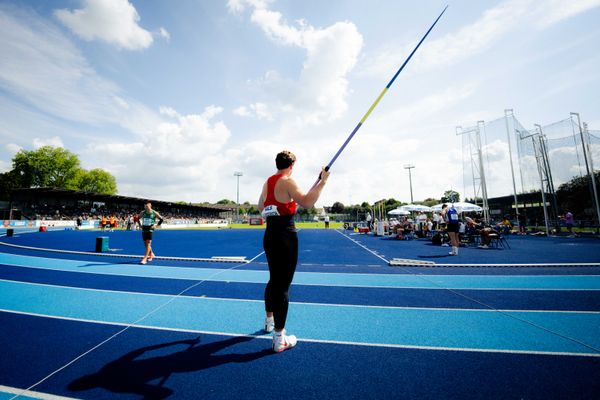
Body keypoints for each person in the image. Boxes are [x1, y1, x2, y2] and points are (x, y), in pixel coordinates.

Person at [258, 150, 329, 353]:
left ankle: (269, 321)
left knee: (273, 280)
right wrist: (322, 182)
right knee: (283, 286)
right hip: (285, 236)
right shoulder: (288, 181)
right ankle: (279, 338)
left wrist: (281, 207)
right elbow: (307, 202)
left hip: (270, 234)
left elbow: (260, 206)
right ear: (292, 165)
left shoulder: (268, 182)